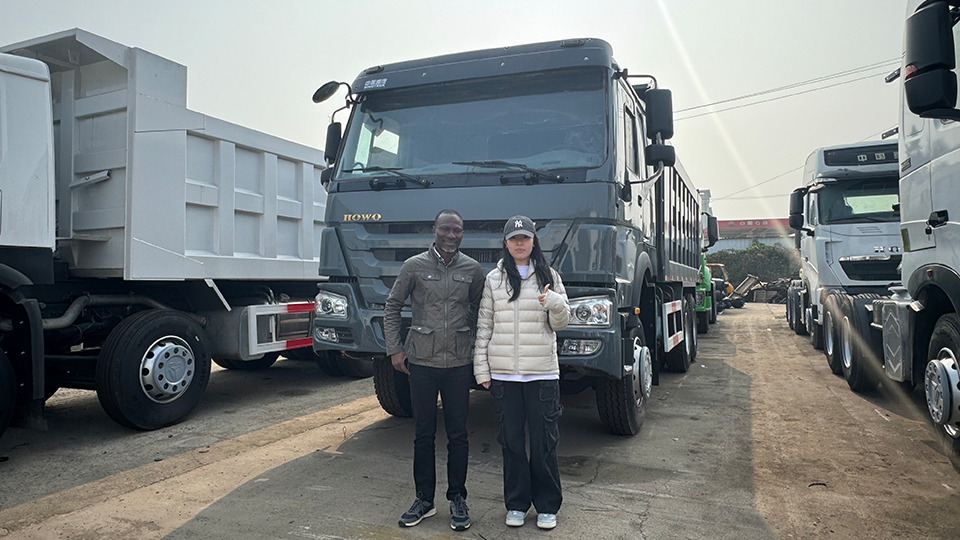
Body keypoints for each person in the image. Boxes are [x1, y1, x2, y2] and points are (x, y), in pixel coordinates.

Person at [383, 209, 486, 531]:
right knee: (423, 435)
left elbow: (482, 308)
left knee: (458, 435)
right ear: (434, 230)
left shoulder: (472, 269)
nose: (451, 235)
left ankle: (457, 498)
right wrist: (395, 348)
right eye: (446, 229)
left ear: (462, 233)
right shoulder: (413, 266)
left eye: (457, 230)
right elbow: (392, 305)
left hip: (457, 363)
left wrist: (467, 337)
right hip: (422, 363)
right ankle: (424, 500)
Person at [473, 215, 570, 530]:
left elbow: (561, 323)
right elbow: (485, 324)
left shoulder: (549, 275)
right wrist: (481, 367)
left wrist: (553, 303)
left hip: (541, 374)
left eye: (524, 238)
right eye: (513, 238)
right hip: (504, 376)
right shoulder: (494, 279)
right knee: (511, 443)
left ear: (533, 241)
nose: (519, 243)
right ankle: (515, 503)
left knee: (544, 443)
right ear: (505, 242)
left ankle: (546, 506)